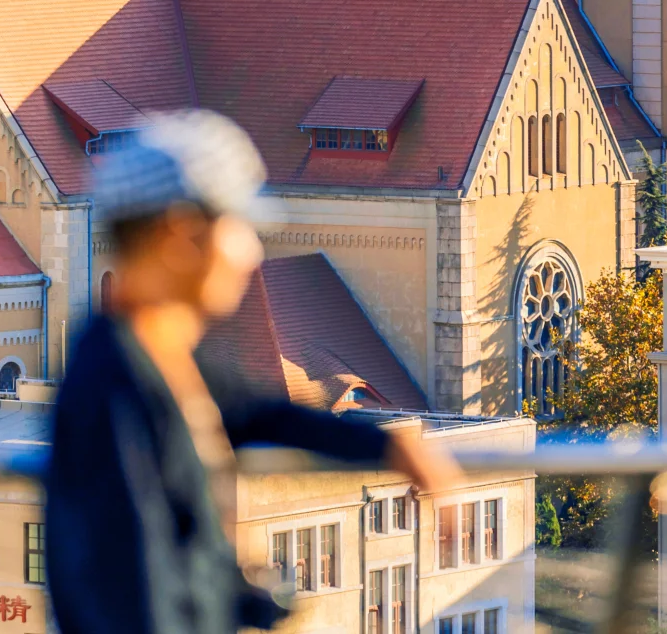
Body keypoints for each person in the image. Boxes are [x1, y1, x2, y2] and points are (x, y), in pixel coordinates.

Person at [46, 111, 459, 634]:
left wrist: (392, 449)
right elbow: (129, 590)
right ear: (180, 235)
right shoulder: (115, 382)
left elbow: (259, 414)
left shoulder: (153, 358)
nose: (253, 252)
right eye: (238, 227)